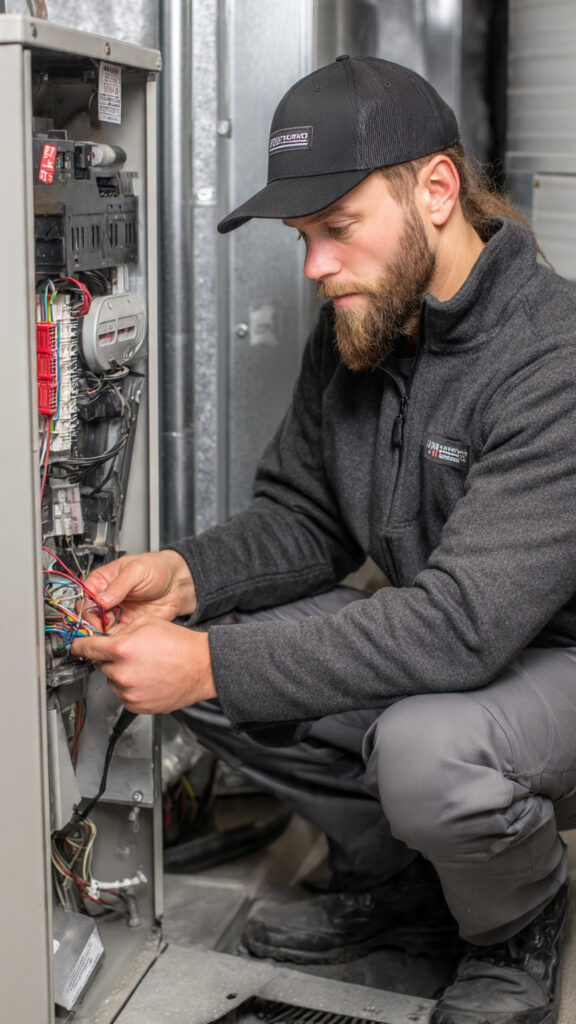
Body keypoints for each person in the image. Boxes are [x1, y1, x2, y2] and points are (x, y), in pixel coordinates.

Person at [72, 56, 576, 1024]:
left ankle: (519, 920)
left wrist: (209, 661)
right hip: (450, 640)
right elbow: (303, 516)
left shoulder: (550, 354)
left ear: (436, 189)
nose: (314, 266)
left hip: (546, 663)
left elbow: (463, 626)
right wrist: (183, 579)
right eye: (304, 237)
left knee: (427, 751)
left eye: (337, 230)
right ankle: (412, 887)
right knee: (183, 629)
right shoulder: (366, 320)